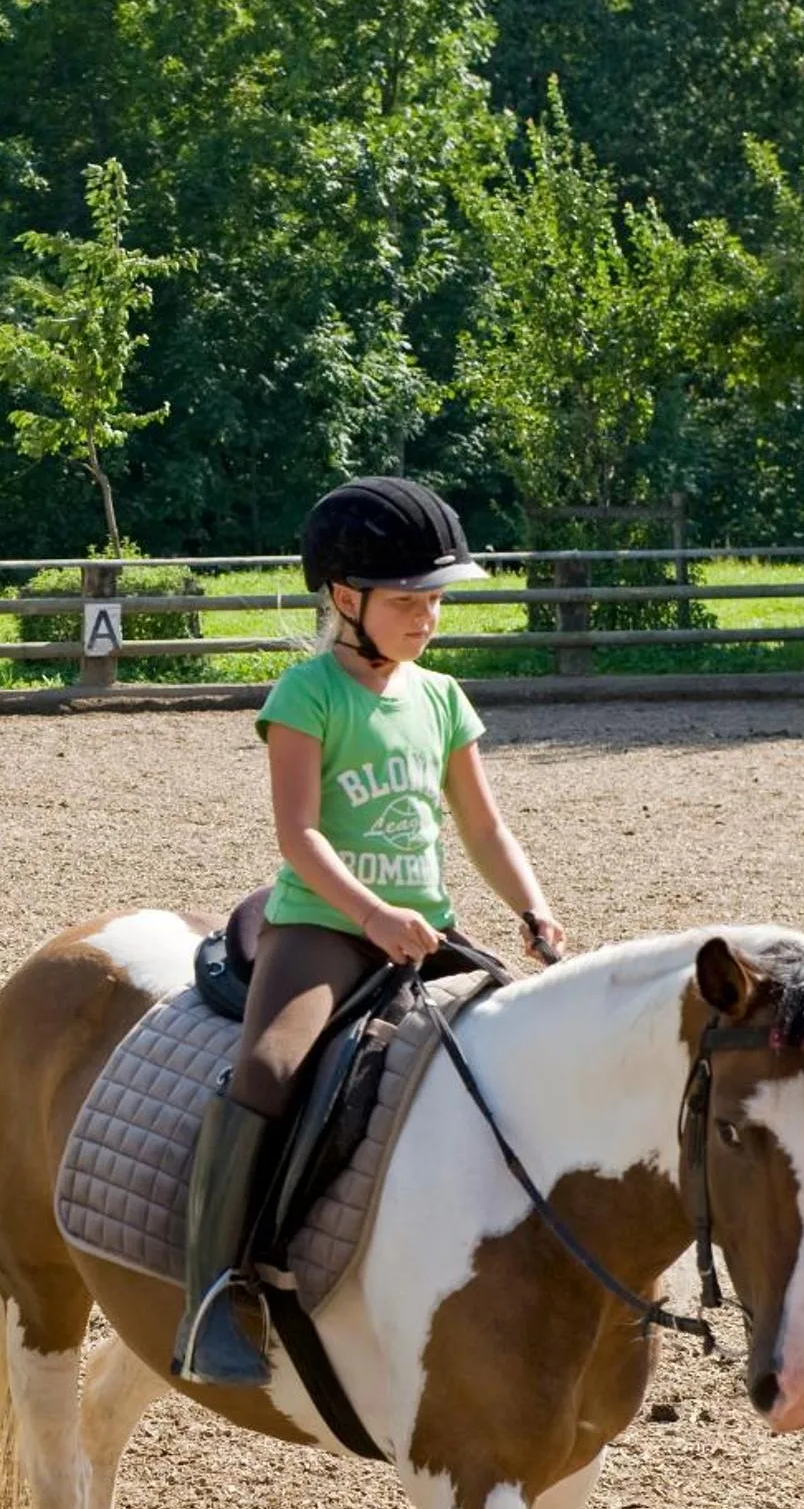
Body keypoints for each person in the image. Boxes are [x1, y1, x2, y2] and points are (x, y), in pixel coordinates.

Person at [170, 476, 570, 1388]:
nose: (427, 617)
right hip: (323, 927)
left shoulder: (442, 697)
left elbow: (483, 826)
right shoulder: (306, 694)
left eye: (435, 600)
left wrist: (532, 905)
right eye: (407, 601)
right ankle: (213, 1294)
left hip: (423, 929)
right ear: (345, 598)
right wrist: (372, 916)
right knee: (269, 1070)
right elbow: (299, 836)